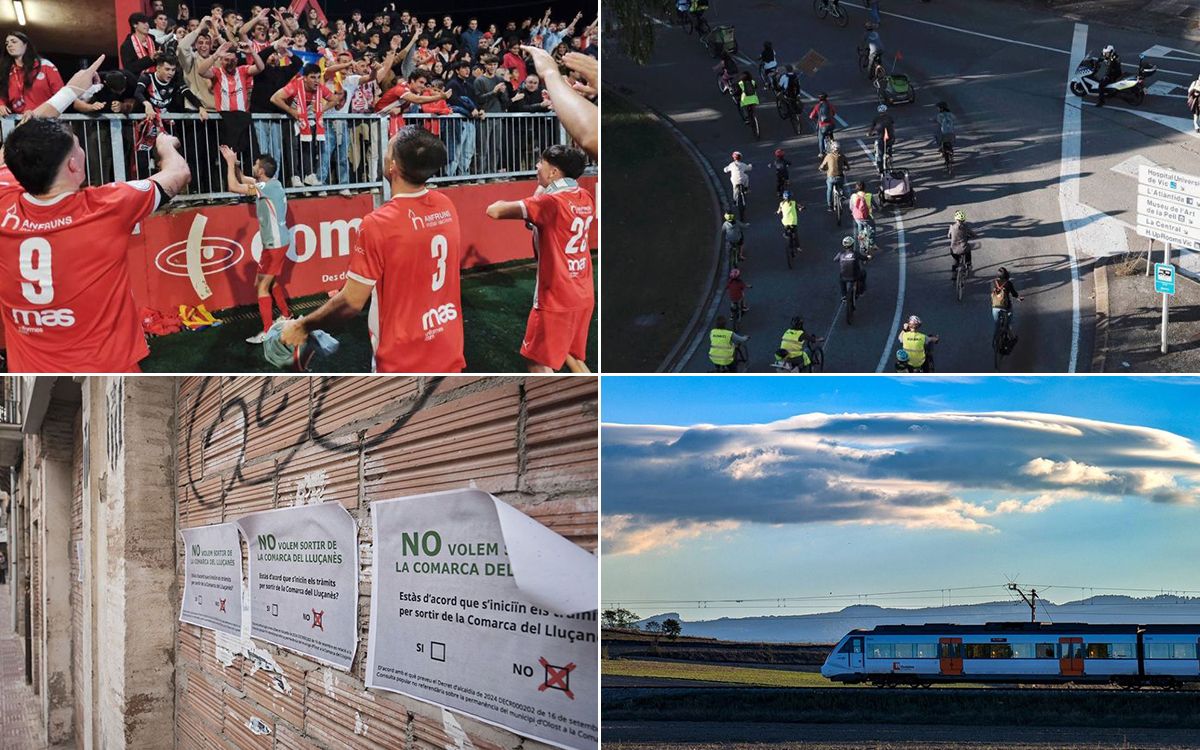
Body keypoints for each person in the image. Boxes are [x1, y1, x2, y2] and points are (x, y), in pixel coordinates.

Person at [0, 120, 190, 372]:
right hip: (109, 368)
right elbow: (178, 174)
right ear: (72, 164)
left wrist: (69, 92)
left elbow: (8, 156)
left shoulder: (4, 200)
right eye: (78, 147)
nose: (83, 152)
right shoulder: (108, 206)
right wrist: (166, 146)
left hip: (31, 370)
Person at [281, 126, 464, 373]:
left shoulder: (378, 223)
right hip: (447, 346)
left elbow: (350, 303)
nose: (385, 154)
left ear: (393, 167)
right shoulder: (446, 204)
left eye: (388, 149)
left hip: (402, 359)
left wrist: (302, 326)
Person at [485, 145, 595, 373]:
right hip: (582, 292)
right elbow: (541, 222)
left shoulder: (549, 203)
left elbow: (493, 211)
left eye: (540, 163)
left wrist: (540, 192)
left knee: (537, 362)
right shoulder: (585, 197)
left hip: (555, 298)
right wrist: (544, 187)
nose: (536, 166)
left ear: (554, 172)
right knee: (570, 355)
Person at [219, 146, 292, 344]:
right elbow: (242, 179)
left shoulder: (264, 188)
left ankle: (268, 331)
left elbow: (234, 187)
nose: (253, 167)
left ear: (260, 171)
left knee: (262, 287)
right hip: (276, 244)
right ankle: (286, 315)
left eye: (255, 165)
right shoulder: (272, 184)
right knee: (270, 282)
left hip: (275, 245)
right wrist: (235, 164)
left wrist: (228, 163)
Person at [0, 32, 64, 115]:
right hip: (20, 123)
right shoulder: (7, 72)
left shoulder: (45, 66)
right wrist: (1, 105)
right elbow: (2, 95)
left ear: (25, 45)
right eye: (7, 43)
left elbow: (61, 96)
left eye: (14, 42)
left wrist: (37, 113)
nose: (9, 45)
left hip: (46, 120)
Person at [818, 140, 850, 212]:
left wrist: (821, 169)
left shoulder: (828, 156)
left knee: (829, 189)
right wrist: (845, 168)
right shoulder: (842, 156)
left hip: (831, 177)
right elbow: (848, 167)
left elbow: (822, 166)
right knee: (841, 185)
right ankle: (841, 194)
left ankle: (830, 205)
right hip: (840, 176)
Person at [834, 236, 867, 301]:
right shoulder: (856, 253)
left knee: (841, 280)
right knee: (863, 273)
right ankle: (861, 291)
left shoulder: (841, 253)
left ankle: (844, 295)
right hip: (855, 276)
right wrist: (868, 257)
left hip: (844, 277)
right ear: (852, 245)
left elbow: (835, 259)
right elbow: (864, 258)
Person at [991, 266, 1023, 331]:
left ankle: (996, 338)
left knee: (997, 325)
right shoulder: (1008, 283)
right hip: (1006, 307)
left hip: (995, 307)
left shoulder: (993, 283)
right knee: (1008, 323)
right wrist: (1018, 298)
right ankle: (1011, 335)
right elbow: (1014, 293)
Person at [809, 92, 837, 157]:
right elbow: (834, 112)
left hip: (822, 126)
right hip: (831, 125)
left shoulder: (817, 106)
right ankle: (833, 144)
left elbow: (811, 116)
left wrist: (817, 118)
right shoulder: (830, 105)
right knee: (831, 134)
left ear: (819, 99)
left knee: (820, 138)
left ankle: (821, 152)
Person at [868, 104, 895, 173]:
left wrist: (869, 133)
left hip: (881, 139)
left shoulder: (876, 119)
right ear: (885, 111)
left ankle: (880, 169)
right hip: (890, 138)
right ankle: (890, 157)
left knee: (880, 154)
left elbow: (872, 128)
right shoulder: (889, 117)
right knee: (889, 147)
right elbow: (892, 124)